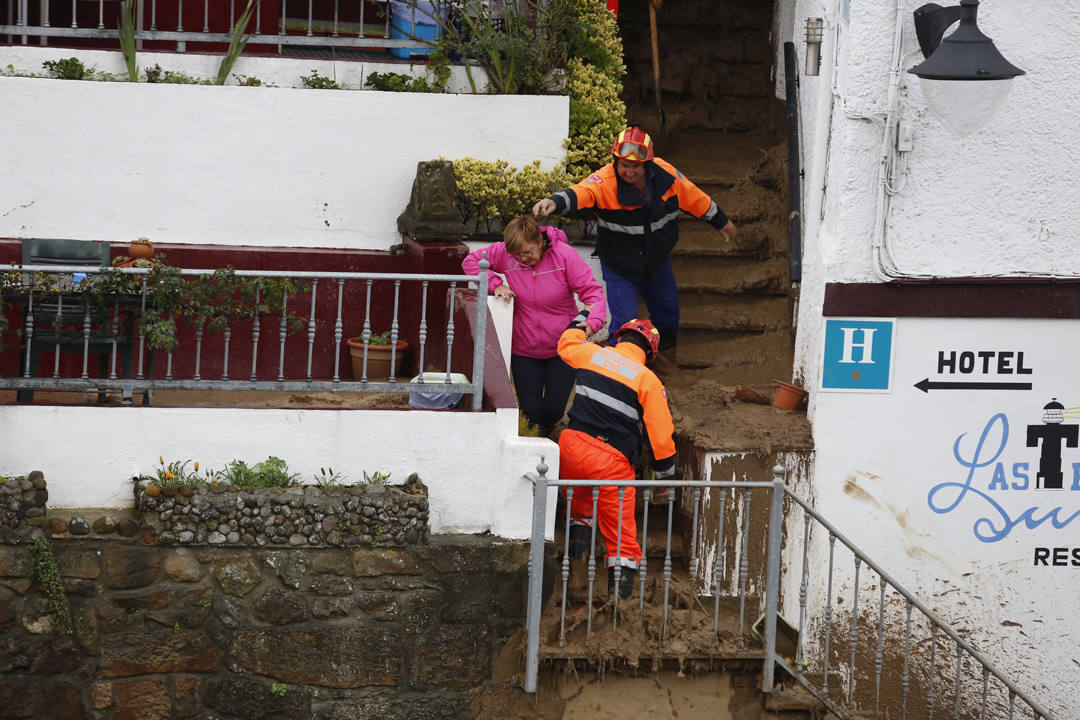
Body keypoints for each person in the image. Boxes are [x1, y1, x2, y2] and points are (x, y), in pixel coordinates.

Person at [532, 126, 736, 366]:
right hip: (619, 264)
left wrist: (721, 221)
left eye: (636, 166)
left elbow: (695, 198)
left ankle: (664, 366)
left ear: (647, 164)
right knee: (624, 324)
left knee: (668, 316)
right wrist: (554, 202)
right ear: (615, 162)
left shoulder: (667, 175)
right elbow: (581, 191)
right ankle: (620, 375)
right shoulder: (604, 180)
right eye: (624, 165)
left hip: (656, 260)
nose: (629, 172)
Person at [556, 316, 676, 600]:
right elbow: (660, 437)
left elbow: (566, 343)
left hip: (572, 449)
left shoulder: (592, 353)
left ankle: (575, 587)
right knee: (621, 538)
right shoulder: (648, 380)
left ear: (619, 338)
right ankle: (617, 610)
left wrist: (583, 319)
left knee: (580, 513)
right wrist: (664, 478)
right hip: (611, 462)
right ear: (649, 352)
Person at [462, 215, 606, 436]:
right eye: (516, 255)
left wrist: (591, 324)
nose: (523, 258)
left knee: (554, 410)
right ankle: (536, 446)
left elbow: (594, 294)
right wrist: (496, 284)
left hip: (563, 347)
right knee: (530, 412)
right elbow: (471, 262)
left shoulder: (564, 255)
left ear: (540, 241)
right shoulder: (506, 253)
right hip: (524, 348)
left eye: (528, 252)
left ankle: (547, 437)